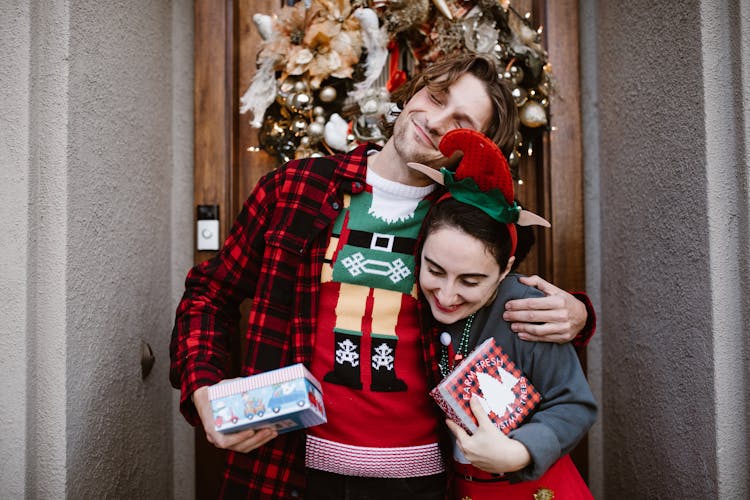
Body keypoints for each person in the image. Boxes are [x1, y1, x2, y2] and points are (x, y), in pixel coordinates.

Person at [169, 53, 595, 499]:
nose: (434, 120)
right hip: (284, 469)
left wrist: (578, 315)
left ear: (477, 147)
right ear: (412, 92)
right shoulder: (295, 189)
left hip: (420, 481)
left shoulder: (462, 225)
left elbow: (500, 301)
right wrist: (202, 389)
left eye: (461, 121)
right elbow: (209, 294)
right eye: (435, 97)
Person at [413, 128, 596, 499]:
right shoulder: (411, 304)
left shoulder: (526, 312)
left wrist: (521, 450)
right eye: (434, 270)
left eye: (471, 280)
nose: (446, 295)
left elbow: (573, 402)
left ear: (505, 268)